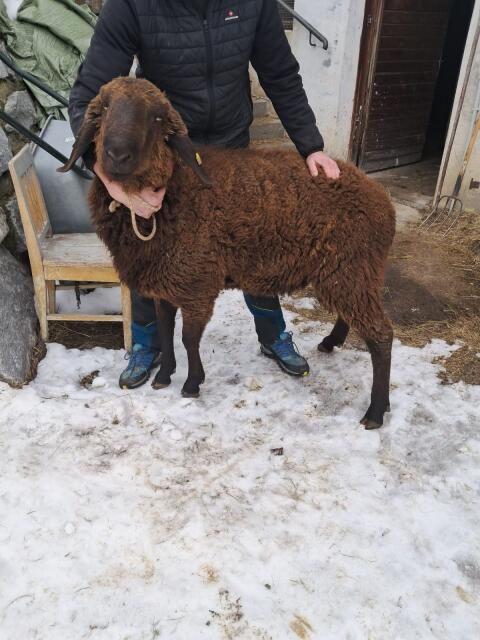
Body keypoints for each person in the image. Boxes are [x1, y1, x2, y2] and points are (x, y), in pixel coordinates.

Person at [69, 0, 340, 389]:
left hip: (230, 143)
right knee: (148, 251)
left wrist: (310, 145)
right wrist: (109, 178)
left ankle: (273, 334)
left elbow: (280, 73)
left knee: (252, 240)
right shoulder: (131, 5)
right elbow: (88, 98)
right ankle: (147, 344)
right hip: (164, 152)